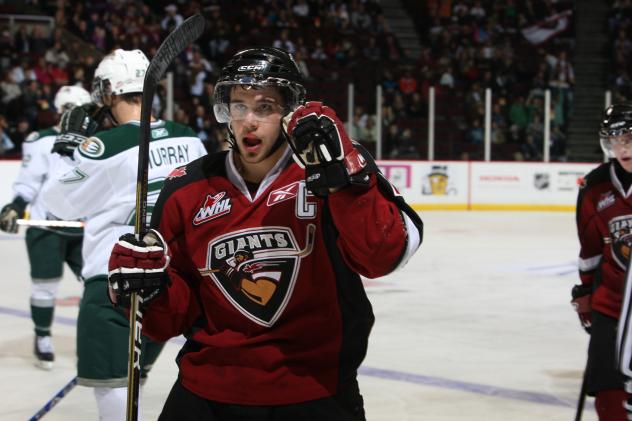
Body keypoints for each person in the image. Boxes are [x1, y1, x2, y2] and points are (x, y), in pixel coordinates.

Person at [107, 47, 423, 420]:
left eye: (265, 107)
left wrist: (344, 181)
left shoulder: (327, 172)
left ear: (290, 113)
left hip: (314, 390)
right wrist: (147, 290)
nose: (248, 121)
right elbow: (168, 321)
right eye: (238, 106)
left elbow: (383, 256)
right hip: (208, 390)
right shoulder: (186, 188)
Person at [40, 49, 207, 421]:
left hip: (113, 283)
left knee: (113, 387)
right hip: (171, 281)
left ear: (110, 92)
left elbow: (57, 204)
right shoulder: (189, 138)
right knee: (136, 377)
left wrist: (67, 147)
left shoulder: (105, 147)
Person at [0, 85, 91, 370]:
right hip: (46, 226)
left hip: (83, 227)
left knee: (97, 285)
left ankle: (93, 337)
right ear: (59, 111)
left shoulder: (97, 141)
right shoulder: (41, 141)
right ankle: (42, 338)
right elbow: (28, 182)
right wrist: (15, 204)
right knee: (45, 286)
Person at [573, 102, 632, 420]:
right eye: (615, 141)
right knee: (608, 385)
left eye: (629, 139)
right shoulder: (595, 187)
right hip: (611, 303)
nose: (622, 149)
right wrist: (585, 294)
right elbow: (590, 249)